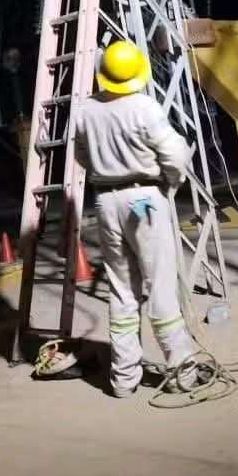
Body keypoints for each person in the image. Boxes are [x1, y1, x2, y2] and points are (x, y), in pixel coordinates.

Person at [74, 40, 200, 399]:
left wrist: (106, 170)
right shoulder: (144, 107)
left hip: (106, 202)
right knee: (159, 283)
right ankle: (180, 371)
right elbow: (175, 155)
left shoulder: (85, 110)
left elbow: (81, 155)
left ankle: (124, 379)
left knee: (121, 288)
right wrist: (170, 183)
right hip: (145, 199)